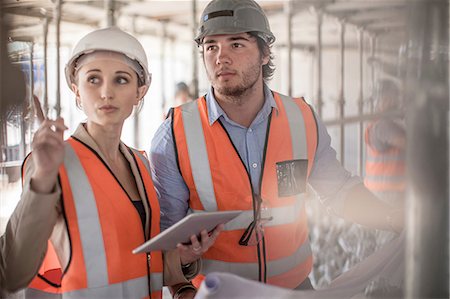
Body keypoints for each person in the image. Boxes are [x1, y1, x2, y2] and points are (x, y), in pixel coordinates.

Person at [150, 0, 403, 291]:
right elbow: (167, 234)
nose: (220, 58)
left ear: (265, 53)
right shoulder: (175, 133)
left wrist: (392, 218)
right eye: (211, 47)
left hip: (294, 289)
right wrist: (183, 290)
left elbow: (340, 191)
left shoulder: (301, 119)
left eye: (236, 44)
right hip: (220, 294)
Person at [0, 27, 221, 299]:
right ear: (76, 90)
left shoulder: (140, 163)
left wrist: (182, 259)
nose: (106, 92)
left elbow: (132, 265)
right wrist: (43, 177)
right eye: (93, 79)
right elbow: (11, 271)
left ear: (140, 91)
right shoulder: (51, 163)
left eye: (121, 80)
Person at [365, 79, 406, 208]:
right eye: (391, 97)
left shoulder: (389, 123)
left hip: (388, 193)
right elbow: (410, 144)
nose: (395, 101)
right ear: (382, 99)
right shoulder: (382, 125)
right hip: (387, 194)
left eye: (396, 97)